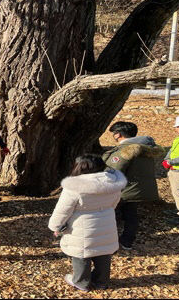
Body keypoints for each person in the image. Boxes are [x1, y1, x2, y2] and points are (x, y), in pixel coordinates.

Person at [48, 154, 127, 291]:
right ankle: (101, 282)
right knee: (103, 252)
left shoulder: (74, 187)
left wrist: (55, 226)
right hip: (106, 221)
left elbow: (63, 210)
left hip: (81, 225)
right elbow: (114, 203)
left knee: (81, 254)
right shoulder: (113, 182)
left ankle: (81, 282)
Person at [102, 121, 165, 250]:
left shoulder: (125, 150)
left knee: (109, 215)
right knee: (131, 215)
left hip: (124, 189)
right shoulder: (146, 148)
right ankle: (127, 241)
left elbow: (112, 171)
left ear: (118, 134)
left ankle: (108, 242)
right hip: (139, 189)